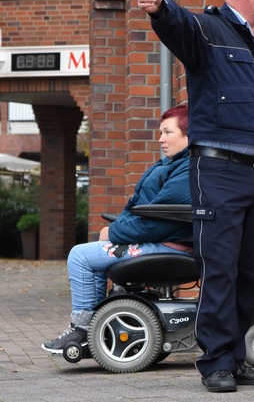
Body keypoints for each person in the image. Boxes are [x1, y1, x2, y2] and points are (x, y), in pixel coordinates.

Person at [131, 0, 254, 393]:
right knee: (220, 268)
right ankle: (216, 362)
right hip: (219, 170)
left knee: (249, 272)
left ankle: (237, 356)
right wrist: (159, 7)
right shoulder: (209, 31)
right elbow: (178, 26)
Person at [41, 105, 192, 353]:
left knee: (80, 256)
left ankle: (82, 333)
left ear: (188, 134)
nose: (161, 138)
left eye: (168, 132)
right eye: (160, 132)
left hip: (169, 245)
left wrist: (113, 233)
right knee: (92, 251)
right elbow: (146, 211)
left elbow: (158, 221)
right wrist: (117, 228)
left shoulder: (185, 170)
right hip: (162, 239)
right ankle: (93, 329)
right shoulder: (174, 165)